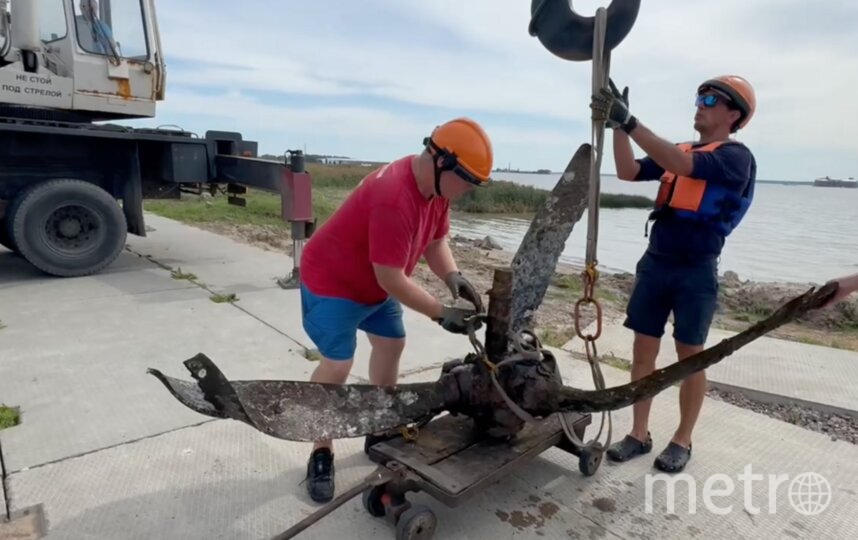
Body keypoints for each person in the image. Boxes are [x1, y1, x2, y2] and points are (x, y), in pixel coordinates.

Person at [297, 117, 493, 503]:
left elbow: (436, 243)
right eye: (466, 181)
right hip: (332, 282)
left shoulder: (435, 191)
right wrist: (440, 312)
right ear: (442, 163)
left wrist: (453, 276)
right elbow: (391, 279)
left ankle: (380, 422)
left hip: (372, 285)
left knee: (392, 344)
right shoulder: (394, 196)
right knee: (337, 365)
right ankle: (321, 446)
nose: (467, 191)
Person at [590, 75, 758, 473]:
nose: (700, 103)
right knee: (642, 353)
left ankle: (682, 439)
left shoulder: (735, 158)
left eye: (712, 99)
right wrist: (617, 128)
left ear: (734, 114)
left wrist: (630, 121)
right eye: (699, 96)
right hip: (656, 263)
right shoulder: (677, 150)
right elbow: (628, 171)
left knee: (691, 358)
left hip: (696, 271)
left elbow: (684, 165)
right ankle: (638, 433)